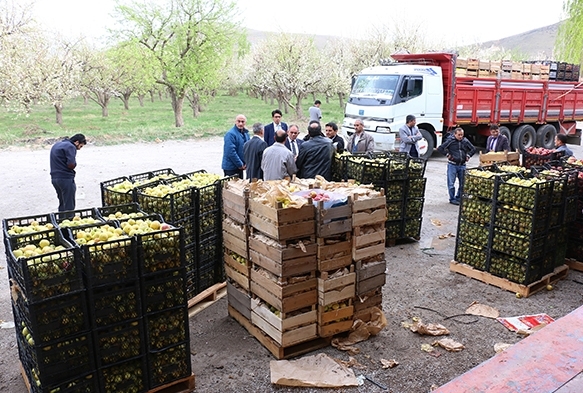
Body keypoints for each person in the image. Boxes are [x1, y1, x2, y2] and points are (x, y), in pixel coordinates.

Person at [437, 128, 476, 205]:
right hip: (452, 165)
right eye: (459, 135)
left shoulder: (465, 141)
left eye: (462, 135)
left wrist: (468, 155)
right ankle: (452, 198)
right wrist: (447, 155)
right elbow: (440, 148)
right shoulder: (450, 141)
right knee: (451, 183)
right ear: (455, 134)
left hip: (462, 165)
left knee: (462, 183)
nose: (460, 136)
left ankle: (458, 197)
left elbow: (473, 149)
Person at [50, 133, 87, 212]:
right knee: (69, 205)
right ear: (77, 142)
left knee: (62, 203)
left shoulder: (57, 144)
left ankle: (61, 220)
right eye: (80, 146)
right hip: (65, 178)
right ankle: (69, 221)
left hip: (54, 178)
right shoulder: (70, 146)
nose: (79, 149)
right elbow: (71, 164)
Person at [221, 114, 250, 179]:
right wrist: (240, 164)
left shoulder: (246, 133)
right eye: (238, 121)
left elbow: (248, 149)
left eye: (242, 122)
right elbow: (230, 152)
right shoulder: (230, 134)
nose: (240, 123)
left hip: (240, 167)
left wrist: (246, 163)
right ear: (235, 122)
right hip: (231, 167)